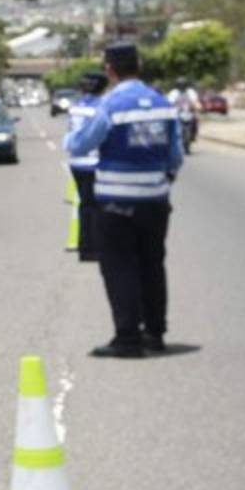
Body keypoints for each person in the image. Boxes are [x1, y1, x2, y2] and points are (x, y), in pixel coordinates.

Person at [65, 42, 184, 359]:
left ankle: (128, 337)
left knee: (120, 268)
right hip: (156, 200)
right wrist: (163, 177)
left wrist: (71, 136)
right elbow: (175, 155)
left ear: (110, 70)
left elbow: (79, 145)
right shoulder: (162, 102)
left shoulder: (111, 105)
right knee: (152, 265)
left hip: (116, 201)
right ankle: (155, 333)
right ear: (140, 65)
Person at [65, 71, 107, 263]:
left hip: (76, 163)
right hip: (94, 162)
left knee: (84, 205)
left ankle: (85, 247)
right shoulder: (101, 108)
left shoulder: (75, 108)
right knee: (96, 207)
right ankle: (94, 248)